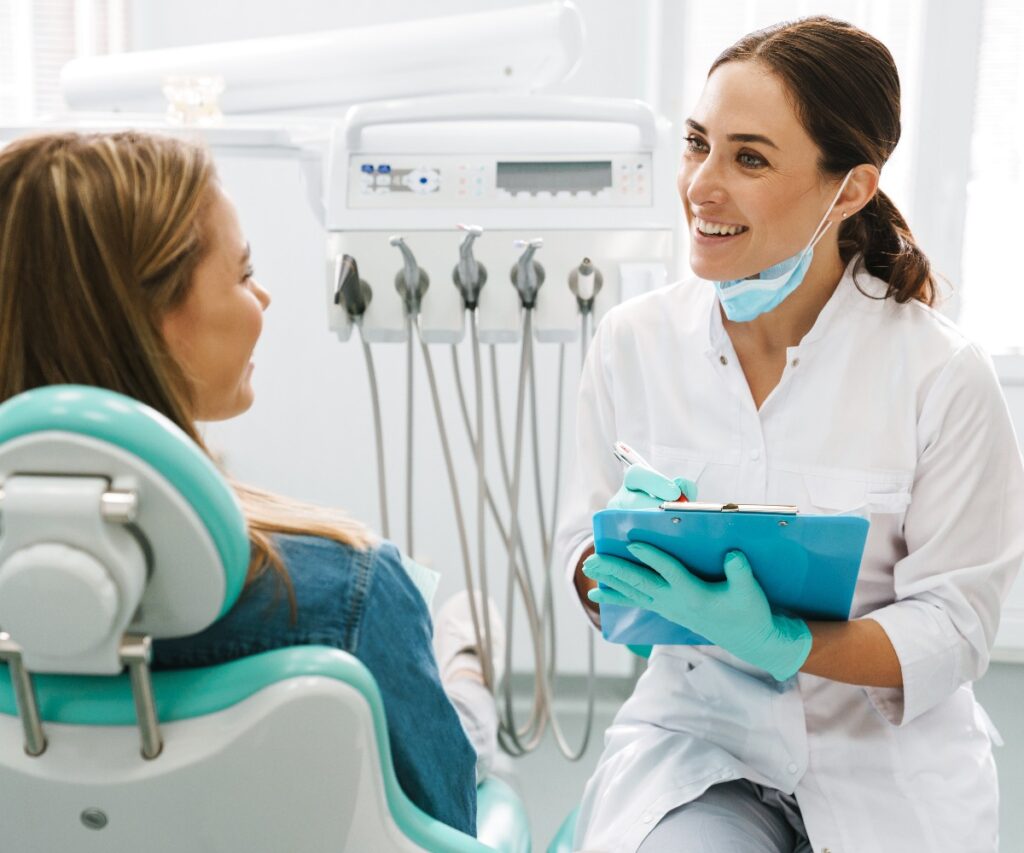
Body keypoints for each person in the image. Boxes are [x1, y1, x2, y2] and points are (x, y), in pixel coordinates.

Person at [554, 16, 1024, 853]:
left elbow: (956, 628)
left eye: (750, 158)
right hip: (701, 747)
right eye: (697, 143)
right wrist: (614, 565)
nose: (702, 184)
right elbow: (577, 562)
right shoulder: (634, 343)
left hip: (888, 775)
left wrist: (789, 641)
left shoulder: (944, 376)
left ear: (849, 190)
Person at [0, 130, 501, 837]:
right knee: (468, 726)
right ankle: (468, 654)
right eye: (242, 274)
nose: (262, 297)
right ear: (148, 321)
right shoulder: (348, 594)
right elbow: (453, 826)